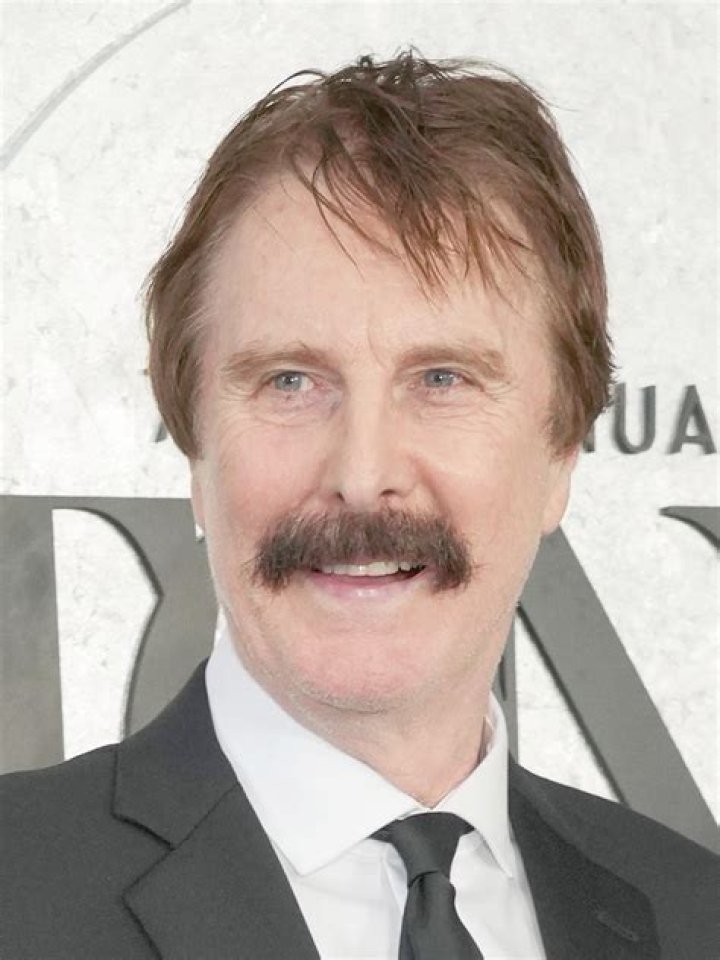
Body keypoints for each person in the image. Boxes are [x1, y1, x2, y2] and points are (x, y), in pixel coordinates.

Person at [1, 51, 717, 960]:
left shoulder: (696, 915)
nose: (362, 472)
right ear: (196, 449)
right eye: (291, 381)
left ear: (560, 454)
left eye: (443, 378)